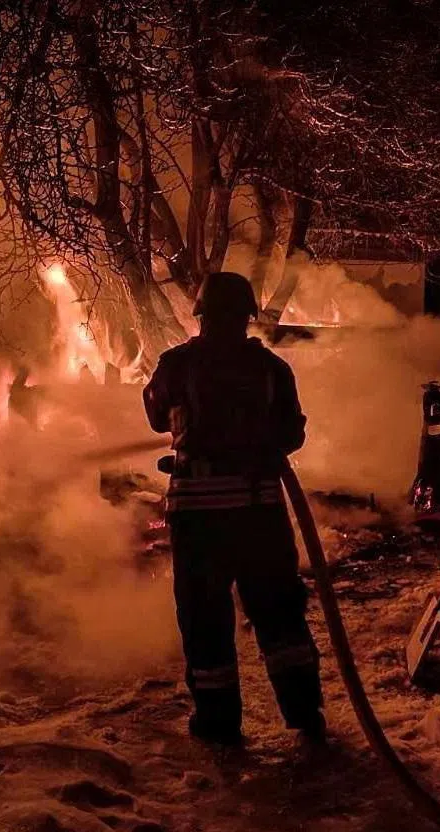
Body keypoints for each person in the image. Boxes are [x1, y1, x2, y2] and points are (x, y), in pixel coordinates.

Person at [143, 272, 324, 747]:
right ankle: (305, 714)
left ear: (200, 314)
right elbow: (292, 434)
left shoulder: (175, 366)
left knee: (206, 623)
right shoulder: (272, 370)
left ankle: (218, 725)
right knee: (280, 617)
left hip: (199, 520)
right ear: (247, 316)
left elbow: (156, 414)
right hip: (258, 513)